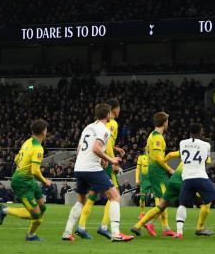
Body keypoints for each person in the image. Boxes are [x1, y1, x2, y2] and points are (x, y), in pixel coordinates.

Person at [62, 104, 133, 242]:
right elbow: (95, 148)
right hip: (91, 169)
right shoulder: (105, 130)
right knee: (115, 197)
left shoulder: (88, 127)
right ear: (108, 115)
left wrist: (101, 159)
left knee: (81, 200)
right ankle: (116, 233)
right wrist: (110, 159)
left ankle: (67, 232)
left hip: (79, 167)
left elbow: (79, 149)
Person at [77, 99, 126, 239]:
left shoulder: (94, 125)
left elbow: (108, 143)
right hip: (106, 162)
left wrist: (115, 148)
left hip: (94, 161)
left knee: (92, 195)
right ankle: (104, 226)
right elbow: (107, 145)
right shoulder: (113, 123)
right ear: (115, 110)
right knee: (115, 194)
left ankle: (81, 226)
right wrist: (113, 162)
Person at [0, 119, 51, 241]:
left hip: (28, 179)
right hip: (21, 182)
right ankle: (5, 210)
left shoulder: (28, 142)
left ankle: (31, 235)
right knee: (35, 214)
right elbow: (35, 171)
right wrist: (45, 181)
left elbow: (17, 159)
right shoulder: (38, 148)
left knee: (42, 208)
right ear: (44, 132)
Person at [144, 111, 179, 236]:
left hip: (154, 171)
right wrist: (169, 169)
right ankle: (149, 222)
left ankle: (165, 229)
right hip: (157, 171)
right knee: (166, 199)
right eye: (167, 121)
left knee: (162, 200)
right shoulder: (158, 137)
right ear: (165, 123)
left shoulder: (151, 135)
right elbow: (159, 158)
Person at [135, 146, 151, 218]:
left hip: (153, 178)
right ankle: (142, 213)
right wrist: (137, 179)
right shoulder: (141, 157)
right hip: (144, 179)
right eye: (146, 146)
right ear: (144, 148)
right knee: (142, 197)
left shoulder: (154, 155)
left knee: (157, 196)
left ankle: (158, 213)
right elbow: (138, 169)